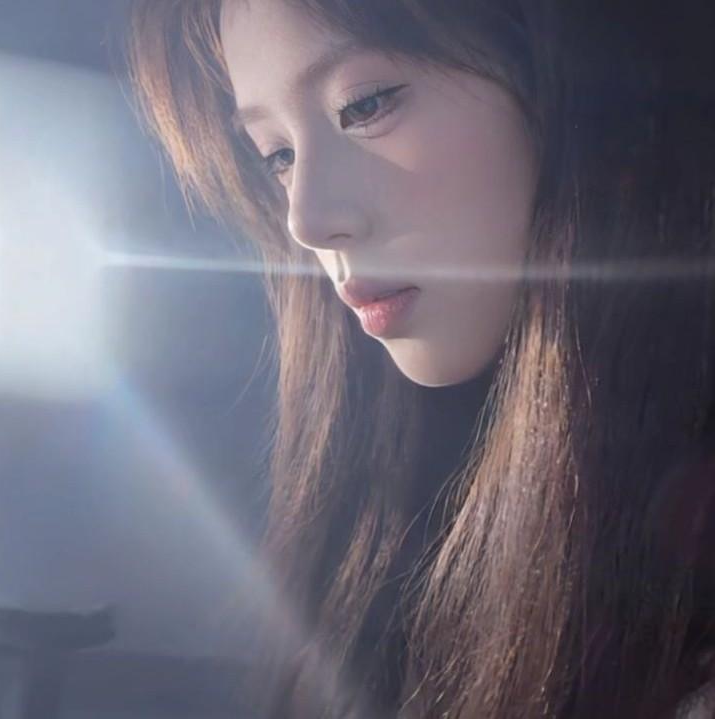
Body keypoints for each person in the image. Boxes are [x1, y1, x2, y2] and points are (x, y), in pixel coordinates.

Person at [127, 1, 715, 717]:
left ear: (574, 75)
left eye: (365, 105)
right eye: (277, 154)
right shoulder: (400, 535)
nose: (306, 220)